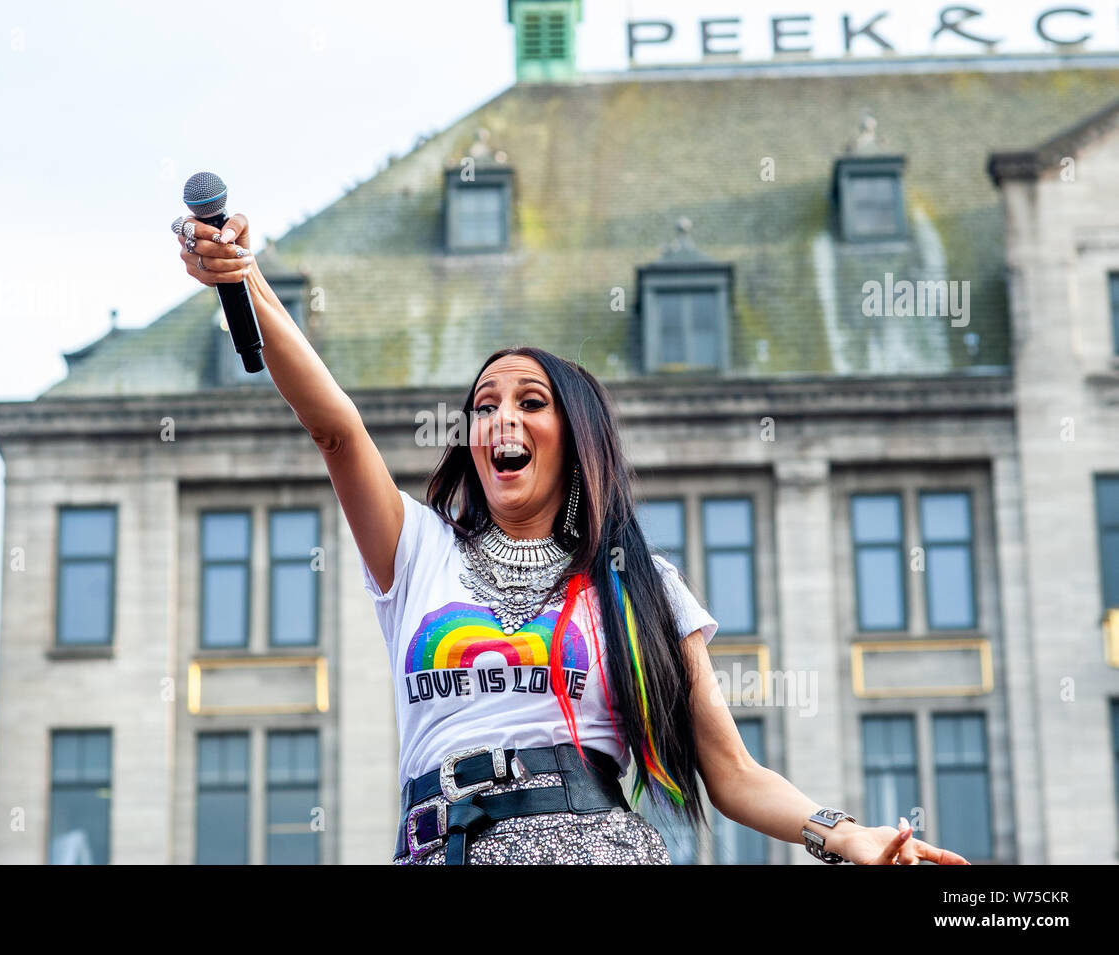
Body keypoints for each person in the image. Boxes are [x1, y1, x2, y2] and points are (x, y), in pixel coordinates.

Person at [173, 212, 971, 866]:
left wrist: (843, 833)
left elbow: (730, 770)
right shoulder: (418, 554)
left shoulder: (637, 583)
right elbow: (337, 429)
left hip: (591, 843)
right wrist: (243, 277)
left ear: (577, 439)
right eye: (485, 405)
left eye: (530, 401)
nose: (501, 419)